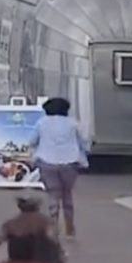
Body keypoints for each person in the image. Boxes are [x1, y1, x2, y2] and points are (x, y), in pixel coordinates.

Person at [31, 97, 89, 239]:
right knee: (67, 194)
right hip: (70, 163)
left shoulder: (41, 123)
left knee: (53, 195)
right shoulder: (73, 123)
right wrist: (84, 154)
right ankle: (70, 228)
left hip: (47, 162)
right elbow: (84, 142)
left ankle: (53, 228)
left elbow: (32, 141)